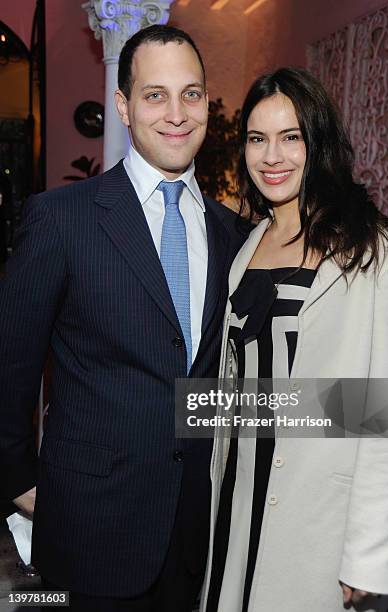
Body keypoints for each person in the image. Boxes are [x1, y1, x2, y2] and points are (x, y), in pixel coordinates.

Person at [0, 25, 248, 612]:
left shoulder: (233, 232)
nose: (176, 113)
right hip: (87, 522)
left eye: (190, 94)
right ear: (124, 105)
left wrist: (374, 414)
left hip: (195, 528)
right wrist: (18, 479)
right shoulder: (62, 218)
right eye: (154, 94)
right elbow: (11, 363)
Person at [201, 68, 388, 612]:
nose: (271, 156)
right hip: (231, 502)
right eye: (257, 138)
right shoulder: (243, 246)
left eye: (290, 137)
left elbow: (383, 415)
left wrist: (370, 555)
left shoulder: (376, 253)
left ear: (316, 142)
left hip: (315, 514)